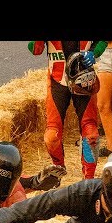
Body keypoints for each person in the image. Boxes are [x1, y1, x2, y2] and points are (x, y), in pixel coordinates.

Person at [27, 41, 107, 180]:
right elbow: (35, 49)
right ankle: (58, 170)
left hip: (83, 78)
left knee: (91, 134)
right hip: (57, 81)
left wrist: (94, 52)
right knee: (52, 136)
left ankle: (88, 180)